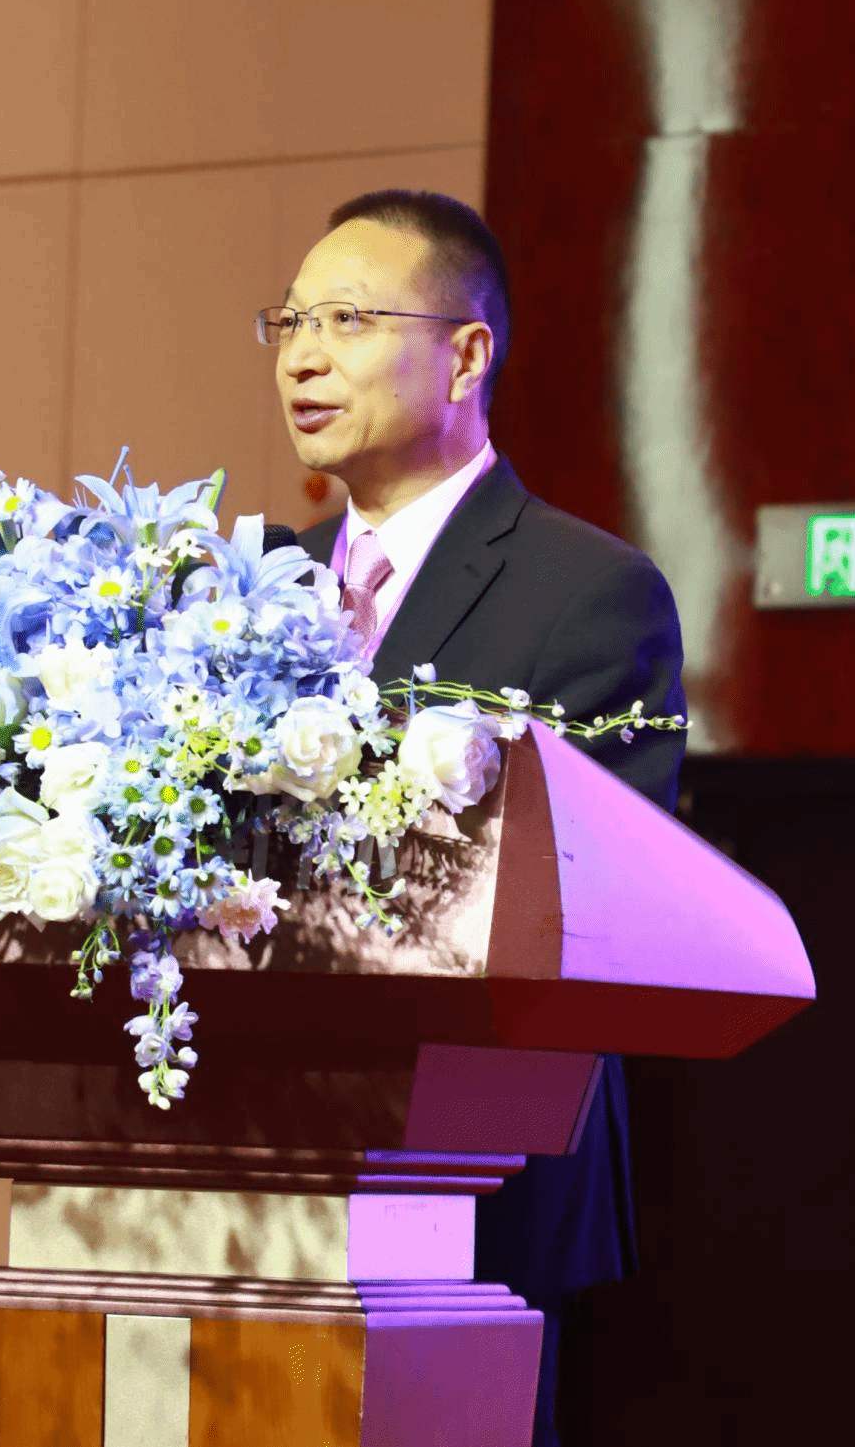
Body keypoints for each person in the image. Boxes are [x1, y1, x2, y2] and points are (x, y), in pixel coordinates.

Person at [260, 188, 686, 1446]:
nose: (302, 355)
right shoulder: (258, 584)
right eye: (289, 321)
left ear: (463, 355)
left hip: (473, 1172)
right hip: (245, 1149)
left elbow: (596, 891)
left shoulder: (588, 590)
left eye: (346, 319)